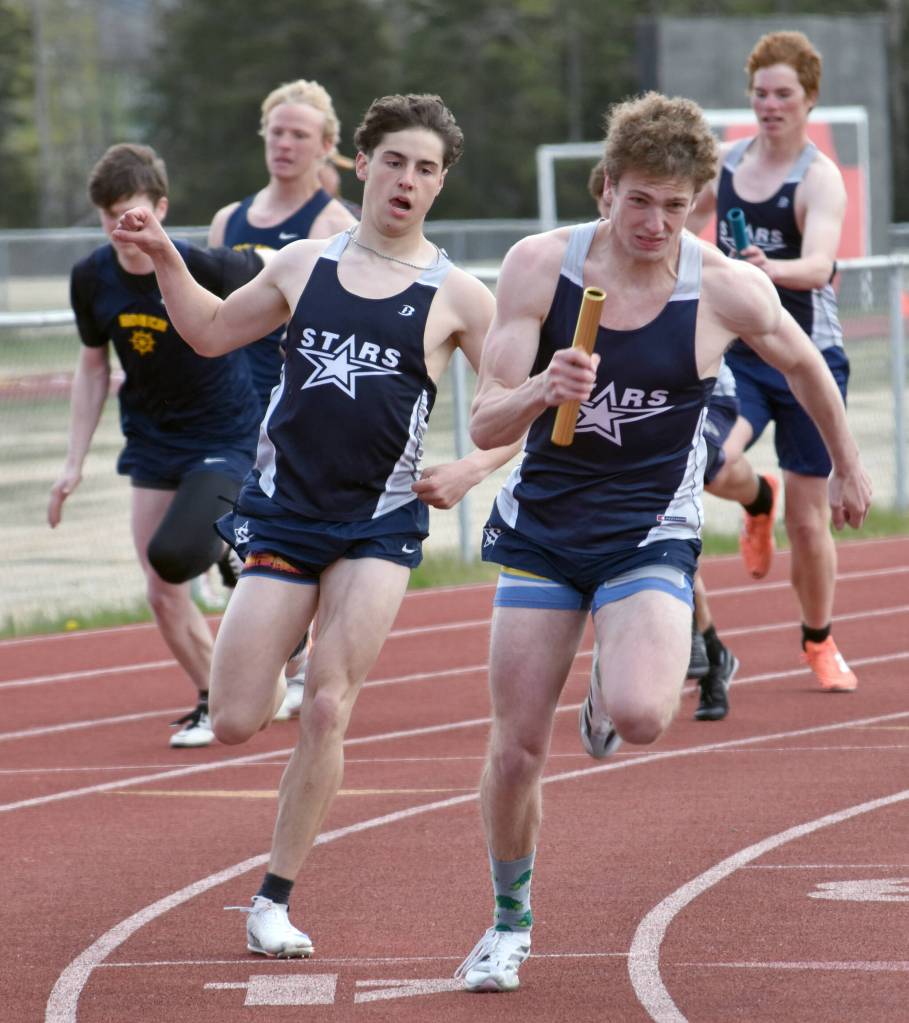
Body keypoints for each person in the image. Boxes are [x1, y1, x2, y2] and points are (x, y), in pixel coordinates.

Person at [454, 91, 871, 993]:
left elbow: (803, 364)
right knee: (516, 746)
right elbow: (486, 420)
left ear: (696, 205)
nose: (654, 222)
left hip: (648, 526)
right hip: (544, 527)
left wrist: (844, 464)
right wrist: (539, 391)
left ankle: (606, 691)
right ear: (606, 188)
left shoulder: (720, 285)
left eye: (674, 206)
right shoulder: (538, 267)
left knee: (642, 717)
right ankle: (507, 921)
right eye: (638, 200)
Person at [112, 93, 521, 960]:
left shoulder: (456, 295)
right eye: (395, 162)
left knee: (329, 703)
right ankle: (271, 647)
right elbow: (214, 332)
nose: (406, 180)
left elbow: (507, 411)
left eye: (425, 169)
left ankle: (272, 899)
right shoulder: (305, 263)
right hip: (284, 514)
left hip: (379, 525)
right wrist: (163, 261)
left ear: (440, 185)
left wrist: (471, 468)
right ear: (362, 164)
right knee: (231, 719)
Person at [47, 143, 269, 748]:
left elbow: (288, 280)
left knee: (175, 555)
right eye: (108, 216)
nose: (121, 228)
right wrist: (72, 463)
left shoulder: (212, 266)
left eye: (132, 213)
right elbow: (93, 368)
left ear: (161, 208)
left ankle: (234, 544)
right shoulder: (92, 277)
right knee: (160, 585)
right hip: (152, 441)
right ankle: (211, 696)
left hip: (223, 433)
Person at [687, 30, 857, 691]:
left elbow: (819, 264)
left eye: (783, 94)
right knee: (707, 461)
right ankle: (755, 497)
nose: (769, 105)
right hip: (742, 354)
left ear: (808, 99)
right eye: (759, 93)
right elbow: (680, 218)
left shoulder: (816, 179)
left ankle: (818, 640)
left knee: (808, 522)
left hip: (809, 355)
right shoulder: (727, 165)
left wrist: (767, 268)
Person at [209, 79, 359, 718]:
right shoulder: (229, 220)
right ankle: (282, 640)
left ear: (326, 147)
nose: (286, 144)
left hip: (304, 402)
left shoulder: (335, 225)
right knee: (232, 543)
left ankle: (305, 659)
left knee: (306, 533)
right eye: (277, 132)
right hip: (233, 401)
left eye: (300, 134)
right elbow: (216, 311)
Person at [589, 157, 741, 720]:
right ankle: (708, 646)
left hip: (702, 399)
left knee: (662, 511)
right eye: (627, 206)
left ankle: (695, 644)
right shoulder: (587, 264)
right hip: (625, 415)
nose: (648, 223)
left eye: (668, 206)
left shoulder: (685, 256)